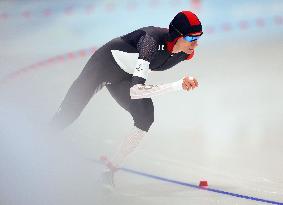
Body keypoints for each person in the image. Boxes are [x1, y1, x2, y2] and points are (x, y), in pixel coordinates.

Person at [50, 10, 203, 182]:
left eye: (199, 37)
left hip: (124, 77)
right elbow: (136, 91)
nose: (195, 44)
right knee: (68, 114)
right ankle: (38, 144)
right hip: (102, 67)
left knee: (145, 116)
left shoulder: (185, 53)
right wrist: (177, 85)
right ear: (177, 35)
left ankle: (108, 172)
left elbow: (137, 84)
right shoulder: (151, 42)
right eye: (191, 38)